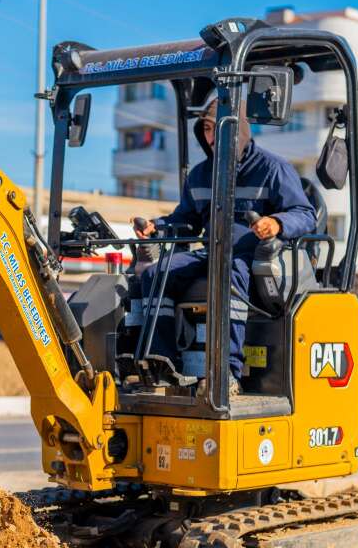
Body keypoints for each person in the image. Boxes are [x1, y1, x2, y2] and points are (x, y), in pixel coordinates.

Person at [129, 99, 317, 389]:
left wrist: (277, 223)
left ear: (240, 129)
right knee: (157, 273)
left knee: (228, 271)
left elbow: (305, 215)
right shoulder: (201, 175)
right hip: (211, 252)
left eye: (220, 128)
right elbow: (186, 220)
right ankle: (161, 362)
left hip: (256, 258)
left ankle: (226, 373)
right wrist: (158, 227)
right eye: (206, 128)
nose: (212, 136)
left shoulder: (273, 168)